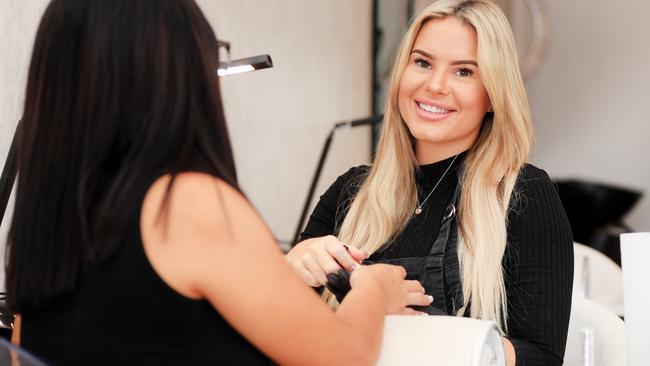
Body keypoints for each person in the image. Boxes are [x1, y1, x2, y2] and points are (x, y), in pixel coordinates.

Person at [4, 1, 432, 364]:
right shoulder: (185, 204)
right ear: (178, 72)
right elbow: (341, 357)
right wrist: (375, 292)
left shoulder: (45, 219)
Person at [287, 0, 574, 365]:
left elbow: (542, 359)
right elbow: (282, 337)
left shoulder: (522, 193)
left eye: (464, 72)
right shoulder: (350, 192)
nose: (436, 85)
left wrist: (398, 324)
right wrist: (294, 270)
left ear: (492, 96)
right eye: (422, 63)